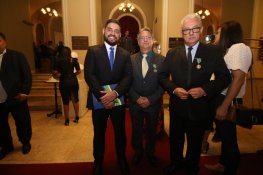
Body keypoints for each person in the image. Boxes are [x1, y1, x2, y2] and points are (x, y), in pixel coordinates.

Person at [158, 13, 231, 174]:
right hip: (177, 107)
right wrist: (174, 89)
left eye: (194, 29)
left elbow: (225, 77)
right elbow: (162, 76)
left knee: (195, 142)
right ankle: (176, 163)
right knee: (175, 139)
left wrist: (205, 90)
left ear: (201, 30)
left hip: (199, 107)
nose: (190, 33)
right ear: (181, 32)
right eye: (186, 30)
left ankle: (192, 167)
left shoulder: (212, 52)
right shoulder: (172, 53)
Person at [84, 19, 132, 175]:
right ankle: (98, 162)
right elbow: (89, 75)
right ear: (103, 31)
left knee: (120, 133)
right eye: (110, 29)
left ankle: (121, 159)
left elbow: (128, 77)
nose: (113, 33)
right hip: (99, 100)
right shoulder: (93, 51)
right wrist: (102, 96)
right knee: (99, 134)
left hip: (118, 98)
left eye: (117, 31)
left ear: (120, 35)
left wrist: (115, 94)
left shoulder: (125, 54)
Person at [205, 21, 252, 174]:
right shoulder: (229, 50)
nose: (216, 35)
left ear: (227, 34)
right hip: (221, 98)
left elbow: (238, 79)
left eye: (218, 33)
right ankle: (223, 165)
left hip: (226, 99)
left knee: (229, 139)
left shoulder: (239, 48)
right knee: (225, 137)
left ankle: (230, 169)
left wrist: (224, 105)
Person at [129, 28, 164, 167]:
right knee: (136, 129)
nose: (145, 40)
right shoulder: (130, 59)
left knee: (151, 129)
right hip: (135, 103)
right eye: (142, 38)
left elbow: (163, 84)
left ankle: (150, 152)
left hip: (153, 103)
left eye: (148, 37)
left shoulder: (162, 60)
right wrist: (136, 97)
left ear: (152, 40)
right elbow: (126, 82)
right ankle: (137, 152)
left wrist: (151, 99)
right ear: (137, 41)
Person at [0, 32, 32, 160]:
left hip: (16, 97)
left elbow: (27, 76)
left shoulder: (17, 56)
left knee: (22, 122)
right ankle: (6, 146)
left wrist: (24, 92)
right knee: (1, 125)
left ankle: (25, 142)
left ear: (5, 42)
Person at [52, 46, 81, 126]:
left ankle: (67, 120)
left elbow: (55, 74)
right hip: (73, 81)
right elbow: (79, 71)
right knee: (75, 99)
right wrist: (73, 74)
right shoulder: (73, 60)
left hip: (64, 81)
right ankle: (77, 117)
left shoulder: (57, 61)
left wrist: (59, 75)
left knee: (65, 101)